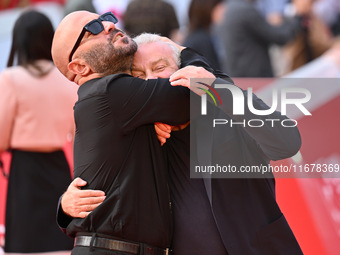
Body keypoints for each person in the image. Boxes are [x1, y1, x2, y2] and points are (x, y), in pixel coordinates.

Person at [60, 33, 303, 254]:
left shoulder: (224, 111)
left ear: (184, 69)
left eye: (160, 68)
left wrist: (215, 88)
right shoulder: (142, 141)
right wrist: (65, 205)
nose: (152, 80)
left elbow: (288, 141)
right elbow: (105, 188)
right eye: (138, 76)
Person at [51, 11, 219, 255]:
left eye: (106, 18)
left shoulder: (110, 104)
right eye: (93, 28)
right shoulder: (110, 92)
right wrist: (184, 52)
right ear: (79, 66)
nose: (109, 25)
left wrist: (63, 208)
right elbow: (196, 94)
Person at [0, 10, 77, 254]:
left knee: (24, 246)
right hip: (59, 169)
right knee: (60, 244)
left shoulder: (10, 78)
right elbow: (78, 134)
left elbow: (0, 138)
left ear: (19, 40)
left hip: (26, 171)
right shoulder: (68, 80)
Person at [219, 0, 313, 77]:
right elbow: (280, 37)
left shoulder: (228, 8)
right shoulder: (244, 10)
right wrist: (297, 14)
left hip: (240, 76)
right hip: (255, 78)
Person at [183, 0, 224, 70]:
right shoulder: (202, 40)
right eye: (219, 7)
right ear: (208, 9)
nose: (223, 11)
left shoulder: (196, 36)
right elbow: (213, 75)